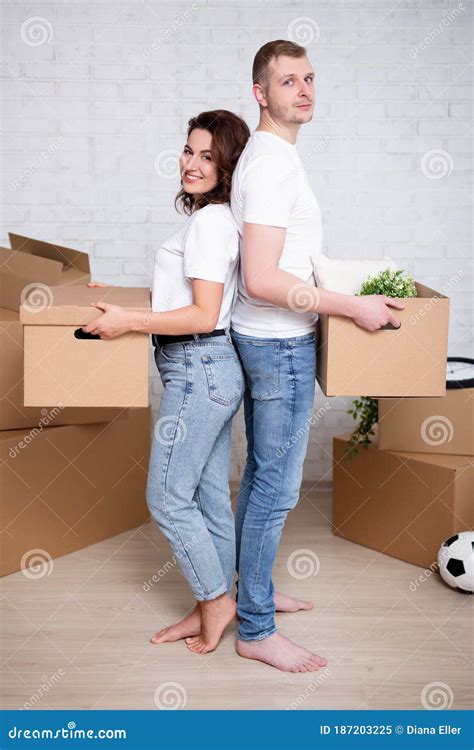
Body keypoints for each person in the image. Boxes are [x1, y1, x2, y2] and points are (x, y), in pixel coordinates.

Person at [230, 40, 405, 673]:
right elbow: (259, 277)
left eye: (309, 79)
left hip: (271, 341)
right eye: (287, 81)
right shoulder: (272, 165)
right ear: (260, 93)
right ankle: (255, 628)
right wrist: (348, 305)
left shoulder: (272, 158)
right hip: (277, 345)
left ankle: (257, 595)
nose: (303, 90)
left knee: (261, 481)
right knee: (276, 489)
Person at [86, 110, 250, 654]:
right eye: (188, 150)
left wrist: (130, 321)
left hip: (197, 368)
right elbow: (190, 300)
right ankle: (217, 600)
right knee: (206, 500)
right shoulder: (219, 219)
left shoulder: (207, 223)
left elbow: (203, 314)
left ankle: (214, 602)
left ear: (228, 165)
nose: (192, 163)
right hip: (214, 370)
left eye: (208, 155)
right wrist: (130, 295)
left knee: (165, 496)